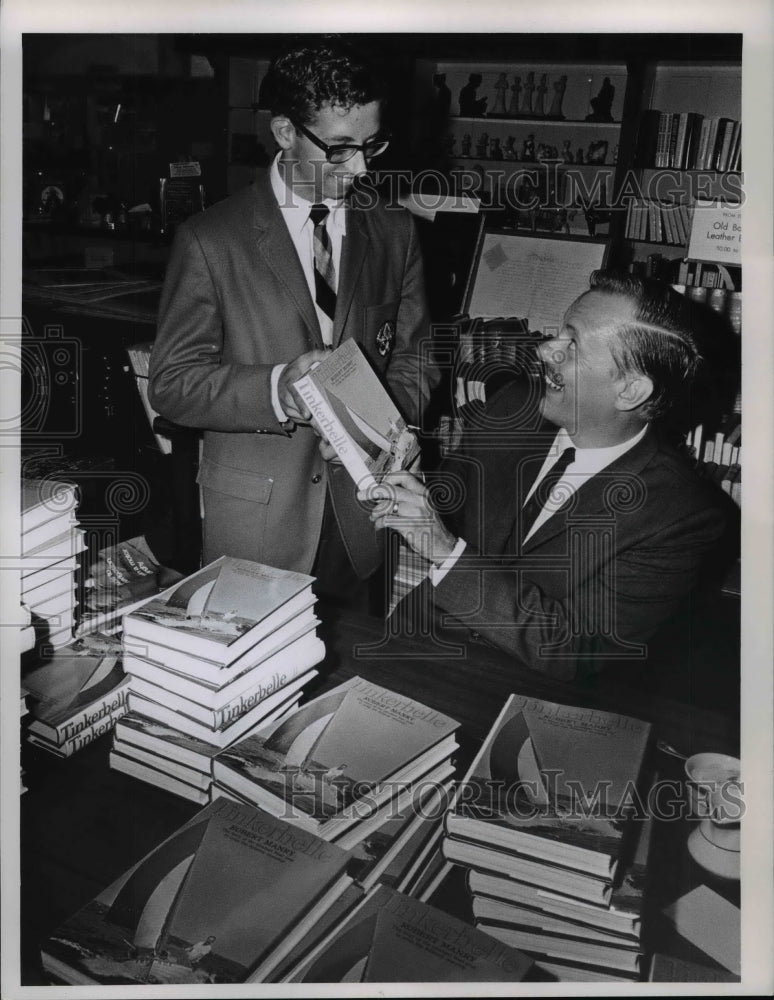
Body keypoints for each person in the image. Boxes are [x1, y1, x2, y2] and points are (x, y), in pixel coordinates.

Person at [149, 37, 436, 606]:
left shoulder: (394, 231)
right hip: (257, 524)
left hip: (362, 520)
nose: (358, 168)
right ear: (283, 132)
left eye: (371, 146)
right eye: (338, 149)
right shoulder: (211, 240)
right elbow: (172, 384)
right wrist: (280, 388)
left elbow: (418, 356)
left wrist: (380, 428)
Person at [364, 273, 735, 681]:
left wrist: (444, 550)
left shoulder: (682, 517)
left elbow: (574, 649)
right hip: (415, 643)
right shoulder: (513, 405)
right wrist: (404, 474)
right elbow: (454, 500)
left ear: (630, 391)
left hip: (529, 694)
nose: (544, 350)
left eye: (571, 344)